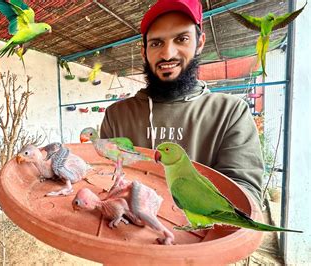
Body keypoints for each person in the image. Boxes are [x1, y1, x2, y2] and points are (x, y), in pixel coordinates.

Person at [100, 0, 264, 204]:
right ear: (144, 52)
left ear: (200, 43)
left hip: (199, 232)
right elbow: (102, 177)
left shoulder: (229, 113)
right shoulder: (117, 115)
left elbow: (245, 199)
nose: (167, 53)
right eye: (156, 43)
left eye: (181, 39)